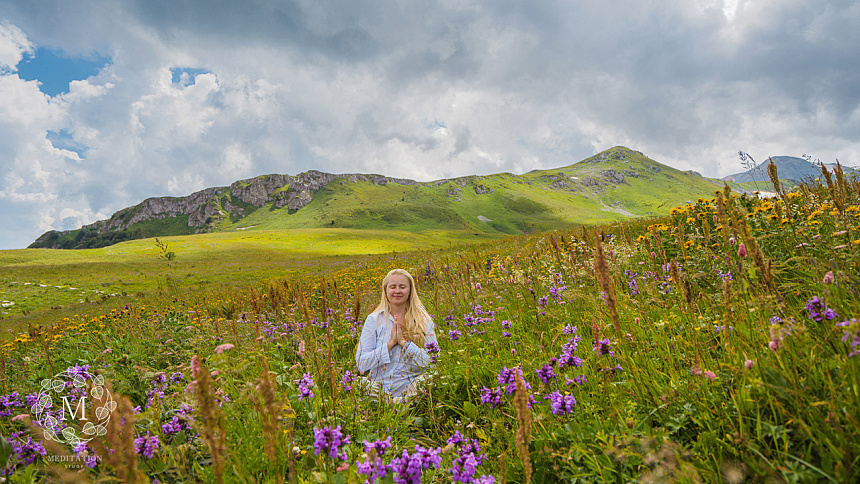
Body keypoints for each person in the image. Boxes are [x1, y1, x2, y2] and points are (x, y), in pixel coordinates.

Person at [355, 268, 437, 399]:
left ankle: (402, 402)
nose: (397, 291)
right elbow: (361, 363)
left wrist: (405, 343)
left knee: (430, 377)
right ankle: (390, 403)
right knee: (356, 382)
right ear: (385, 290)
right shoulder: (373, 320)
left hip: (412, 388)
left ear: (410, 290)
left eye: (402, 287)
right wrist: (391, 343)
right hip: (379, 388)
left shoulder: (423, 320)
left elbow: (434, 362)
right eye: (393, 287)